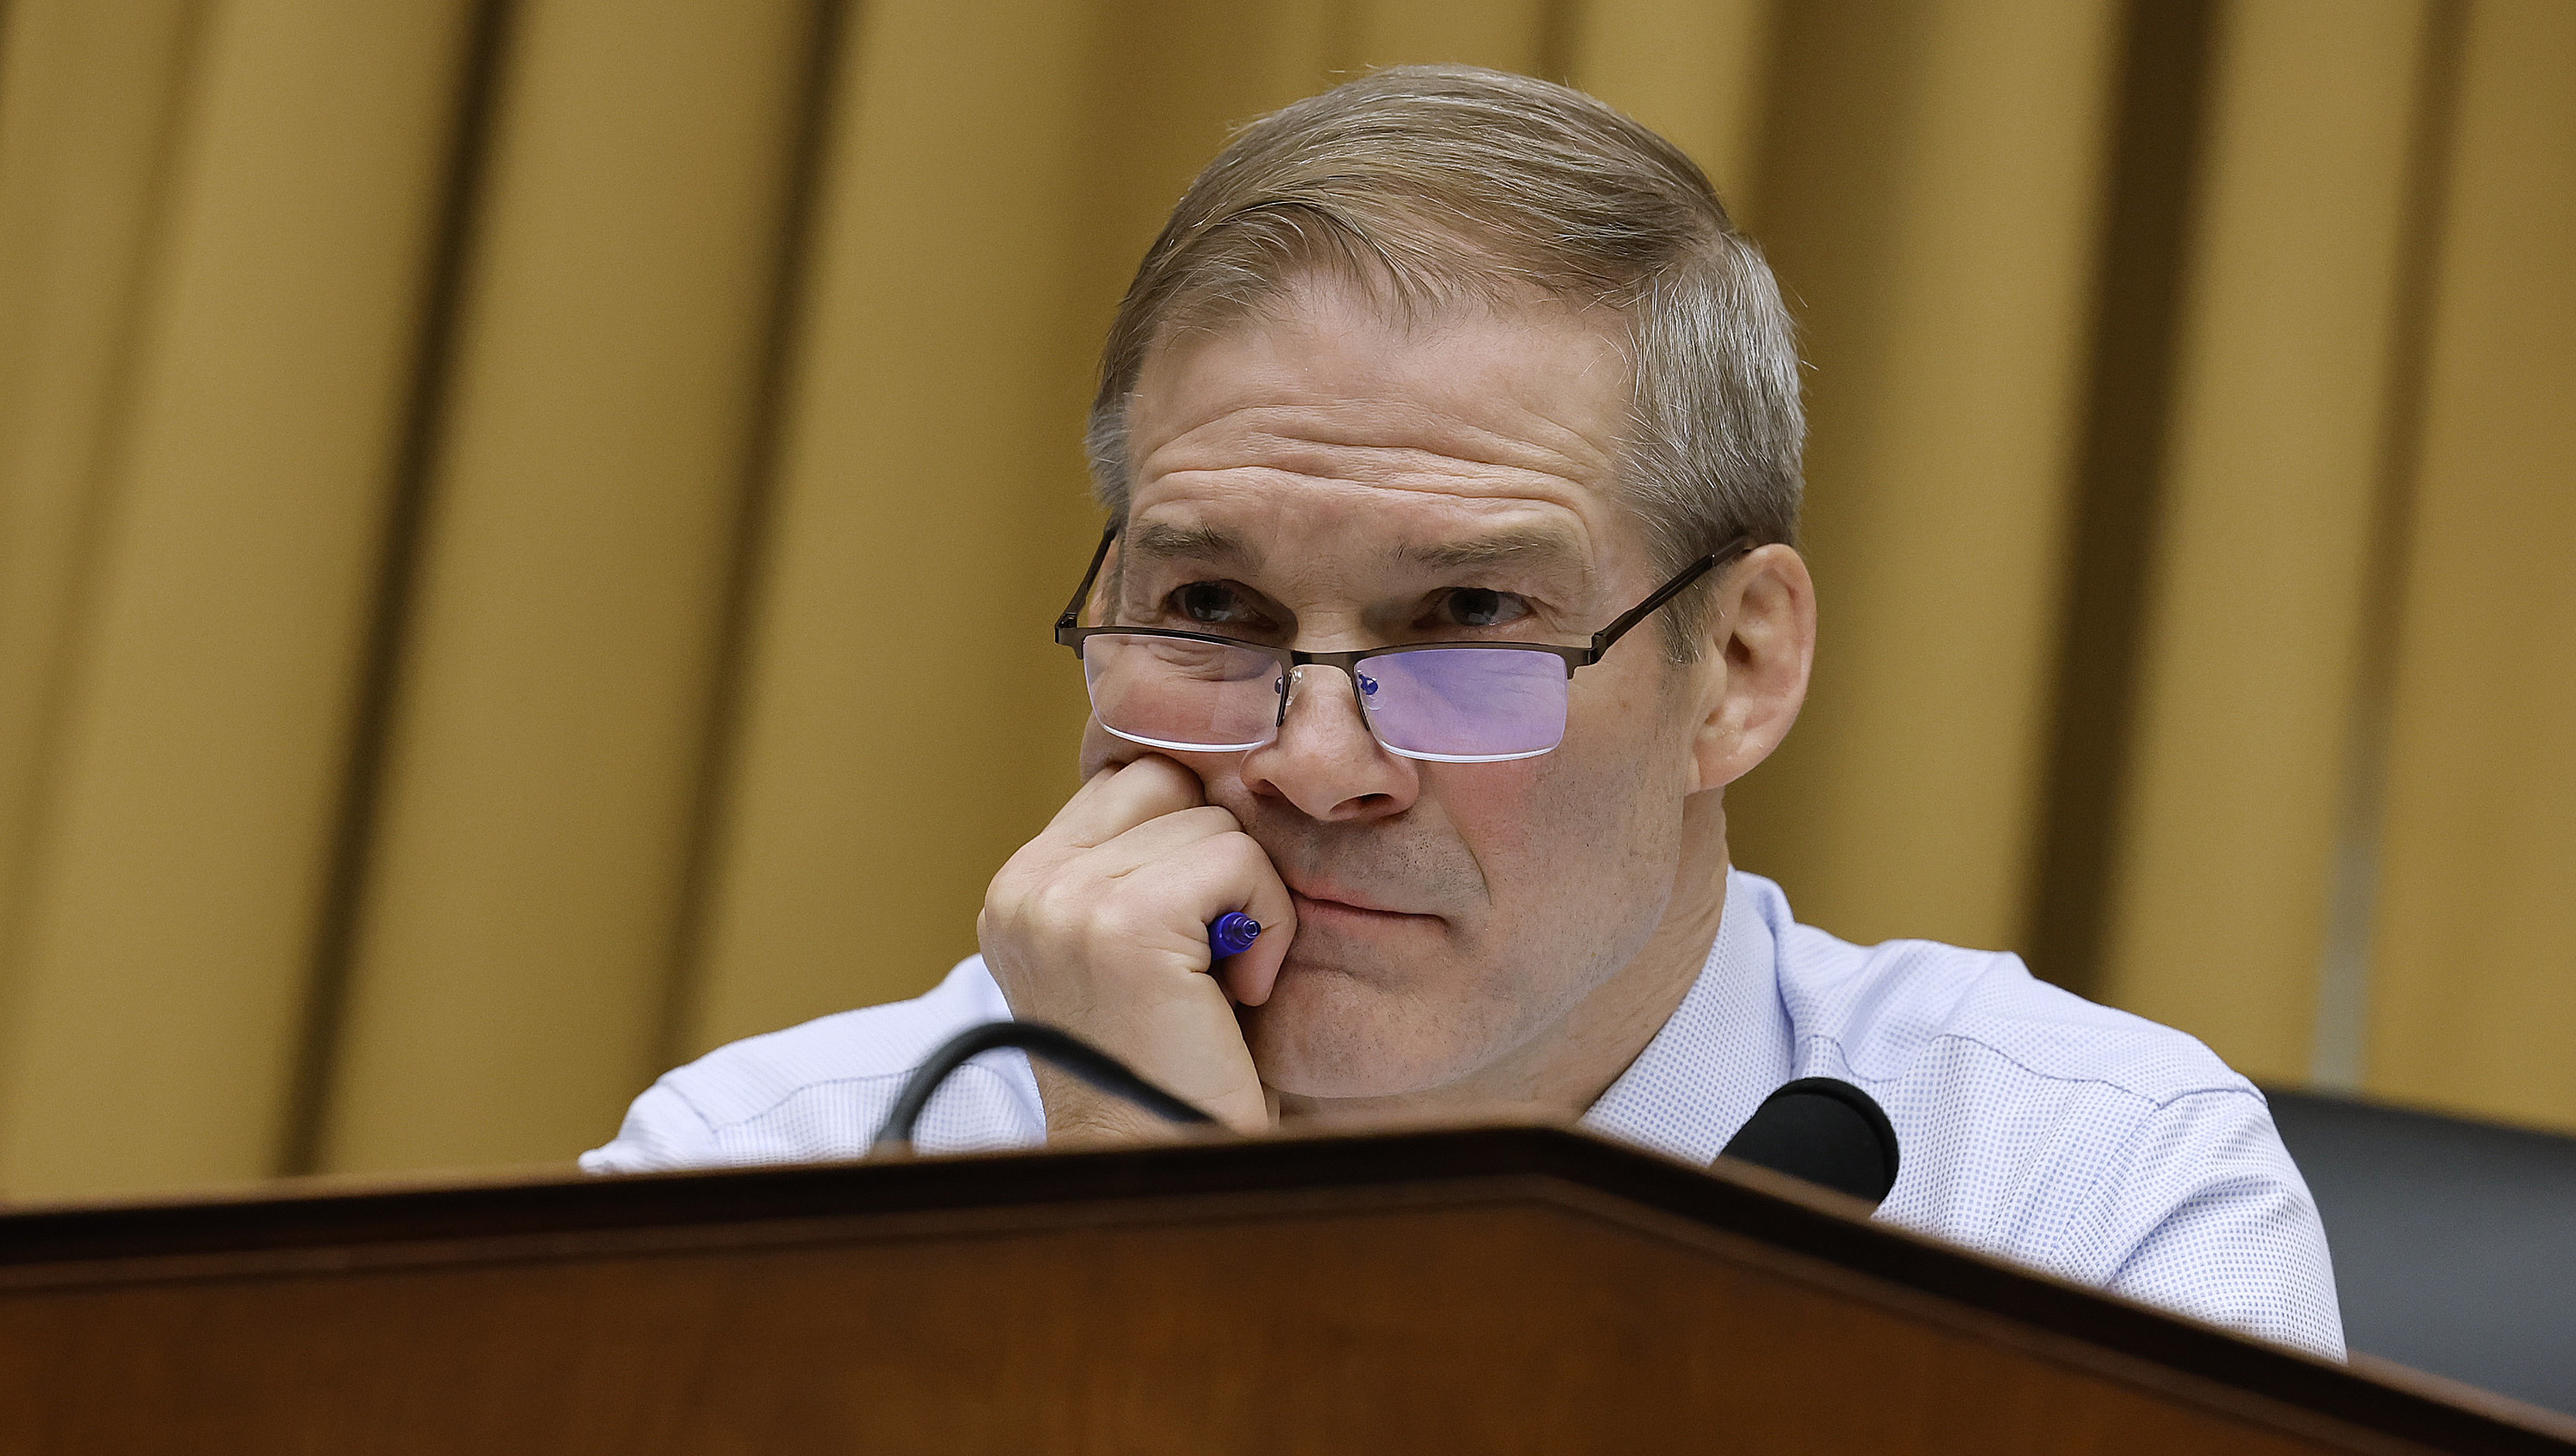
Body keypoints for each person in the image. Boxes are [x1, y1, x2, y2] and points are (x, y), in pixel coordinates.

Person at [584, 66, 2343, 1359]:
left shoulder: (2077, 1201)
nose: (1312, 761)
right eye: (1211, 609)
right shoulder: (778, 1177)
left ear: (1733, 668)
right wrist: (1131, 1209)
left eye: (1469, 617)